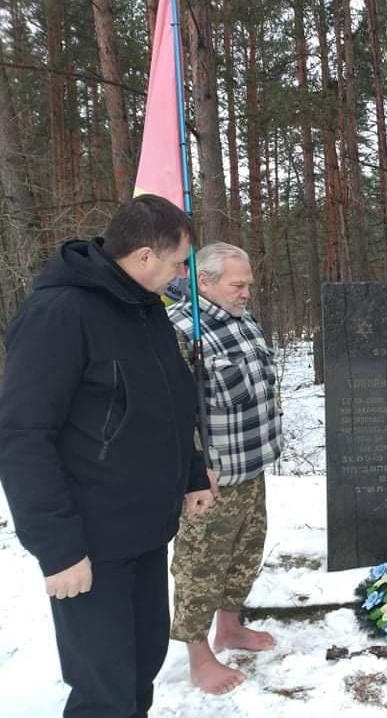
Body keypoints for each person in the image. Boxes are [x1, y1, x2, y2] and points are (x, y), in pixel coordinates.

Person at [0, 194, 215, 718]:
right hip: (91, 542)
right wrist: (58, 548)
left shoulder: (143, 308)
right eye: (177, 262)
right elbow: (23, 435)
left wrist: (190, 473)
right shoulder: (59, 314)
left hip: (143, 528)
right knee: (104, 689)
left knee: (141, 665)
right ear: (144, 256)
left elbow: (166, 402)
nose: (180, 274)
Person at [167, 242, 283, 694]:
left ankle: (230, 627)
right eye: (238, 285)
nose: (246, 293)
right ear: (204, 282)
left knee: (244, 553)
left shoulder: (243, 321)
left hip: (250, 465)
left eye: (249, 284)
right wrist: (194, 468)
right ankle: (199, 657)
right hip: (210, 479)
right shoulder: (180, 331)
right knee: (200, 566)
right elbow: (174, 412)